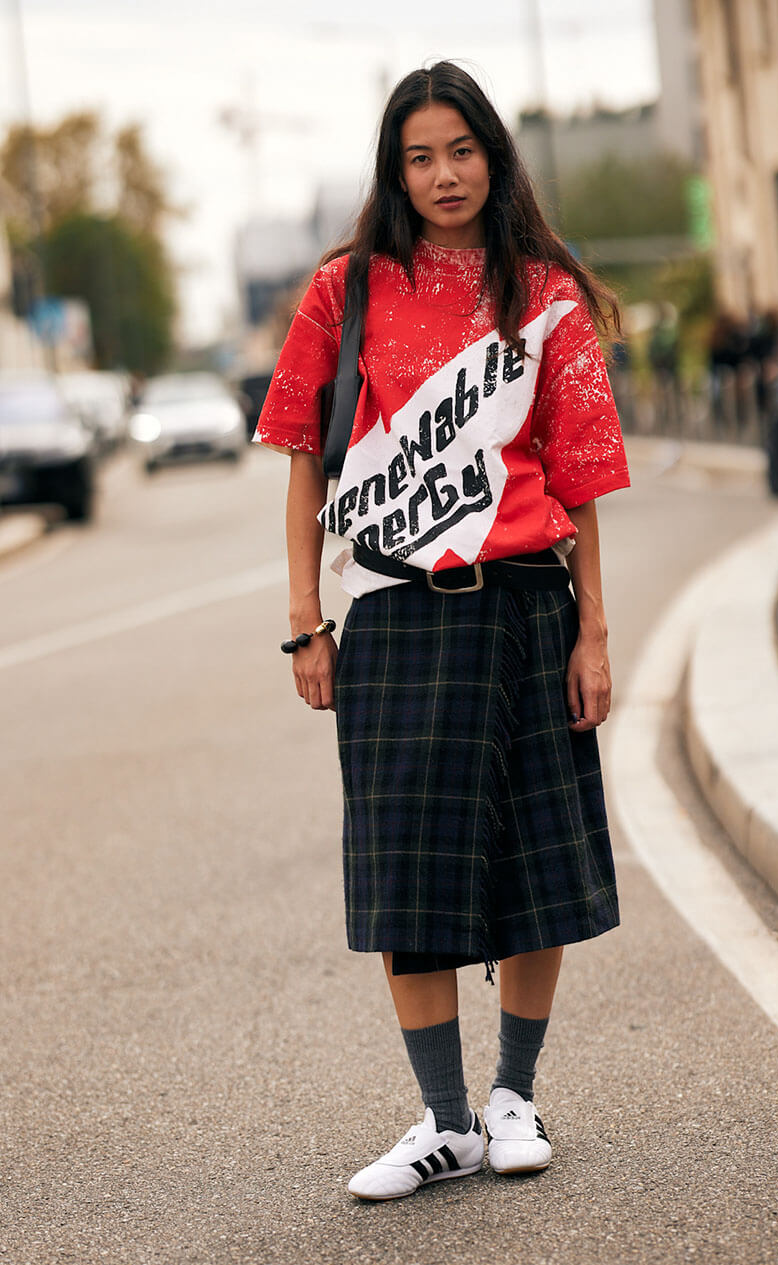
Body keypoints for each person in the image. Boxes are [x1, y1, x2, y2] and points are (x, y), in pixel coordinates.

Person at [254, 61, 630, 1199]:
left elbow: (582, 482)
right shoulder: (343, 290)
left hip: (525, 602)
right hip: (397, 615)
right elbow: (303, 460)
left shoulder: (546, 292)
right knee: (406, 876)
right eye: (419, 156)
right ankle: (446, 1118)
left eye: (460, 150)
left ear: (493, 154)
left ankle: (514, 1092)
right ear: (394, 168)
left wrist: (595, 632)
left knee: (534, 861)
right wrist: (303, 622)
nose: (443, 174)